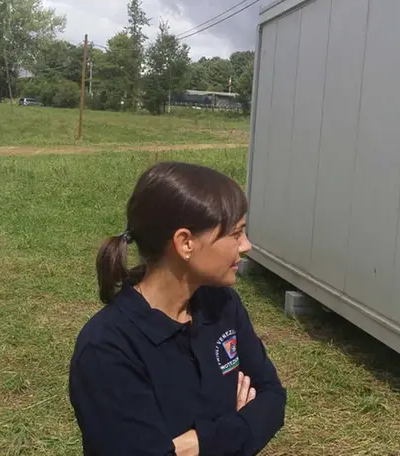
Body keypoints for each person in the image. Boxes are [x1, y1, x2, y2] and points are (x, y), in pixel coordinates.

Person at [68, 161, 286, 456]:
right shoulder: (107, 349)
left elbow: (273, 398)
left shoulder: (221, 305)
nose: (246, 245)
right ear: (185, 243)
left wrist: (195, 443)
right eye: (236, 234)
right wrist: (239, 425)